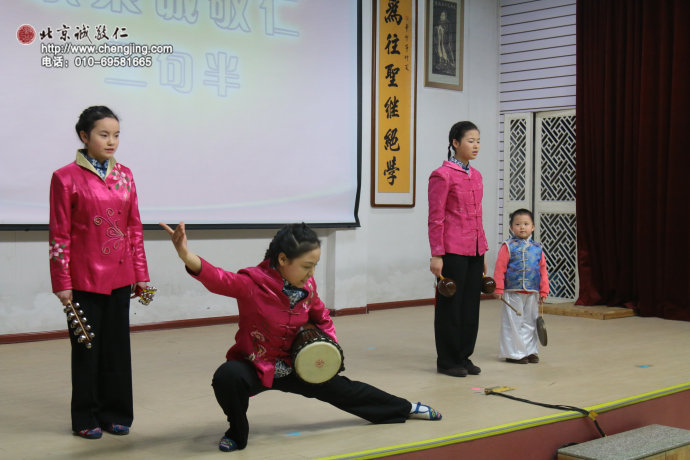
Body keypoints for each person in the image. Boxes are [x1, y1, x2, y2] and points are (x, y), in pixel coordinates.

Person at [159, 222, 442, 452]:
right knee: (227, 377)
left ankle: (406, 408)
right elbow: (218, 278)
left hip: (299, 365)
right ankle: (236, 431)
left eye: (315, 266)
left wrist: (329, 350)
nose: (311, 273)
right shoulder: (251, 284)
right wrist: (185, 255)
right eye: (307, 266)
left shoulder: (308, 286)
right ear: (282, 260)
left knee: (347, 390)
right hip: (257, 365)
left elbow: (322, 317)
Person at [49, 106, 150, 439]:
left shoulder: (126, 175)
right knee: (87, 350)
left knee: (117, 350)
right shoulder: (65, 178)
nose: (112, 142)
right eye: (104, 134)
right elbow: (59, 235)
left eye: (116, 135)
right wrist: (62, 282)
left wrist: (141, 273)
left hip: (121, 277)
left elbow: (133, 227)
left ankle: (116, 413)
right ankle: (85, 418)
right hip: (83, 280)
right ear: (84, 136)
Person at [428, 121, 488, 378]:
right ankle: (448, 360)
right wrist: (437, 254)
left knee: (470, 305)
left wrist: (482, 251)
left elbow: (478, 216)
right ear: (455, 143)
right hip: (451, 250)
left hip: (475, 250)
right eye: (470, 141)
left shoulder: (476, 175)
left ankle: (464, 355)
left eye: (477, 141)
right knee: (450, 306)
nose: (476, 146)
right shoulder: (442, 175)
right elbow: (435, 218)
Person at [492, 209, 549, 364]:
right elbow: (500, 268)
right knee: (513, 323)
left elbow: (543, 269)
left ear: (533, 227)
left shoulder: (538, 248)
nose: (522, 227)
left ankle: (530, 351)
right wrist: (498, 288)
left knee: (530, 322)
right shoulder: (507, 246)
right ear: (511, 227)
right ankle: (514, 354)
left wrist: (544, 289)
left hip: (532, 292)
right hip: (513, 292)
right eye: (517, 224)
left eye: (526, 224)